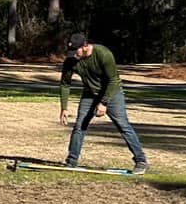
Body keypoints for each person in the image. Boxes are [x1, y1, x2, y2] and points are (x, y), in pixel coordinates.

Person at [58, 32, 147, 172]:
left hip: (111, 93)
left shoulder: (103, 54)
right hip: (89, 94)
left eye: (76, 51)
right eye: (71, 51)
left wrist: (104, 103)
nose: (73, 55)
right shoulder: (71, 61)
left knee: (123, 125)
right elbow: (65, 84)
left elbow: (113, 80)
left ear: (85, 46)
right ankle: (71, 161)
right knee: (79, 126)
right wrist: (64, 107)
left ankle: (141, 161)